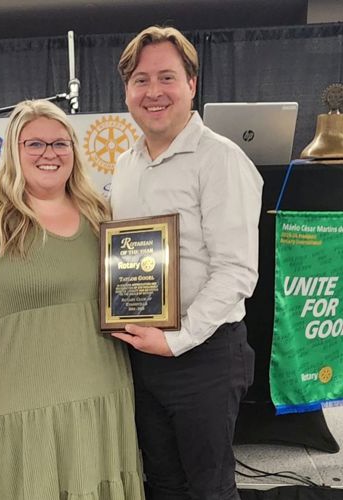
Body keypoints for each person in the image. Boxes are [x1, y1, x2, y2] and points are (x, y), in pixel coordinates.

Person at [0, 99, 145, 500]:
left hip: (100, 394)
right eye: (35, 144)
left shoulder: (99, 214)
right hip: (17, 407)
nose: (50, 153)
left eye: (60, 143)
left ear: (73, 151)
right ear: (13, 150)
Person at [110, 26, 263, 500]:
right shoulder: (125, 164)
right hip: (141, 353)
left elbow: (237, 271)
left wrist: (176, 340)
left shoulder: (220, 159)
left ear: (192, 84)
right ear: (127, 91)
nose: (153, 91)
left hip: (204, 355)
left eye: (166, 77)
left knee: (210, 490)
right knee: (162, 485)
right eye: (140, 80)